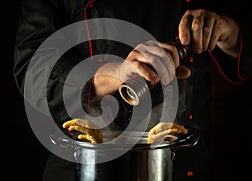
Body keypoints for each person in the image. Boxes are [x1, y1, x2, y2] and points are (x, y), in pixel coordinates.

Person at [13, 0, 251, 180]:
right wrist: (111, 74)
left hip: (178, 162)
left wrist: (228, 31)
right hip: (85, 164)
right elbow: (32, 67)